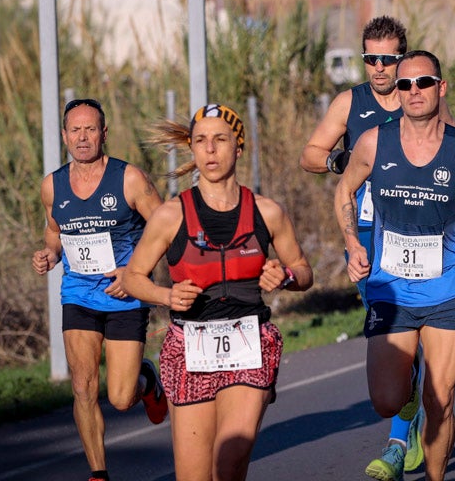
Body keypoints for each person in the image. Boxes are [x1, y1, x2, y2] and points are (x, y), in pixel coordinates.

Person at [335, 51, 455, 481]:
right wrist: (352, 241)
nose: (414, 91)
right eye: (405, 85)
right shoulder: (372, 142)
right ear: (396, 92)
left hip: (447, 288)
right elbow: (344, 191)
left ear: (442, 88)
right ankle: (407, 400)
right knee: (385, 401)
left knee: (442, 400)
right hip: (391, 290)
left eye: (424, 83)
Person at [300, 16, 455, 481]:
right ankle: (408, 404)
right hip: (369, 232)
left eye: (388, 58)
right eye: (371, 59)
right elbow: (309, 154)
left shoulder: (421, 97)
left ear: (403, 57)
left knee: (418, 321)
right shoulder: (351, 102)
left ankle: (396, 441)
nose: (380, 69)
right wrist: (339, 160)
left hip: (420, 233)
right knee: (389, 328)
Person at [123, 103, 313, 481]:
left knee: (228, 463)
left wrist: (286, 275)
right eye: (201, 141)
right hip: (190, 346)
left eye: (220, 140)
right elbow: (132, 277)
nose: (210, 150)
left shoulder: (267, 212)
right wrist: (166, 296)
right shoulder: (171, 215)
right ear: (192, 150)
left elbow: (305, 272)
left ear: (238, 148)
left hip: (249, 344)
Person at [31, 98, 168, 481]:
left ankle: (147, 379)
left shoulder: (129, 179)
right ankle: (98, 473)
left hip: (124, 295)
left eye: (90, 129)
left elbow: (165, 229)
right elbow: (54, 233)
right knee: (82, 386)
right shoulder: (52, 185)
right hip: (78, 293)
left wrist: (134, 271)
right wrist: (48, 255)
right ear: (64, 136)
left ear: (104, 133)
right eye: (75, 130)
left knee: (121, 398)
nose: (83, 137)